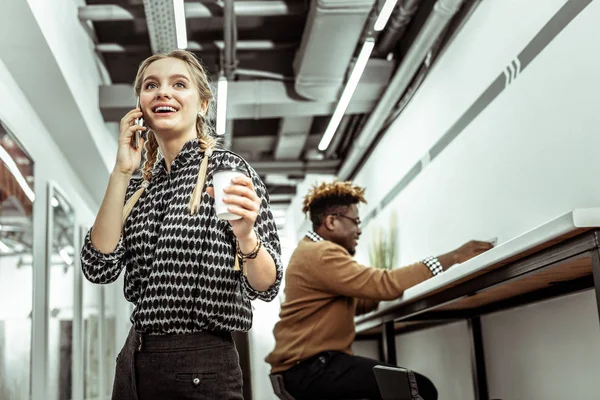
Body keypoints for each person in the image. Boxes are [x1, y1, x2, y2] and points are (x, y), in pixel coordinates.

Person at [81, 49, 283, 400]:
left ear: (203, 104)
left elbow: (266, 286)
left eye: (179, 84)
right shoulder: (138, 185)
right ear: (140, 105)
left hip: (200, 365)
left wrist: (247, 236)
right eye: (151, 85)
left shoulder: (225, 170)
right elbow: (98, 267)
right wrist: (121, 170)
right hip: (134, 360)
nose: (163, 92)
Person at [265, 181, 493, 400]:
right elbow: (385, 285)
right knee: (418, 389)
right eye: (355, 221)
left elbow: (359, 300)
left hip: (303, 369)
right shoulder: (322, 253)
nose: (359, 230)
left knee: (401, 387)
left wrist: (383, 288)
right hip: (310, 369)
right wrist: (452, 258)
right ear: (332, 221)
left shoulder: (310, 251)